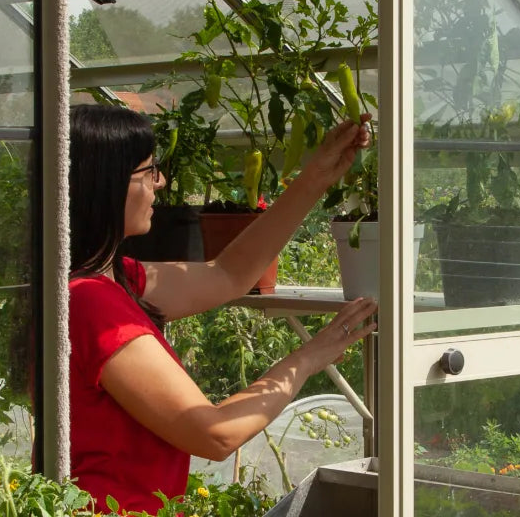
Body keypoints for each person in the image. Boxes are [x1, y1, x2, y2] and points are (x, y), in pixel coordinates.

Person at [60, 104, 378, 513]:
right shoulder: (90, 301)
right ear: (105, 185)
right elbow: (215, 434)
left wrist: (315, 177)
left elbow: (230, 273)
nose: (161, 181)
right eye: (147, 170)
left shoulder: (116, 279)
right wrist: (308, 358)